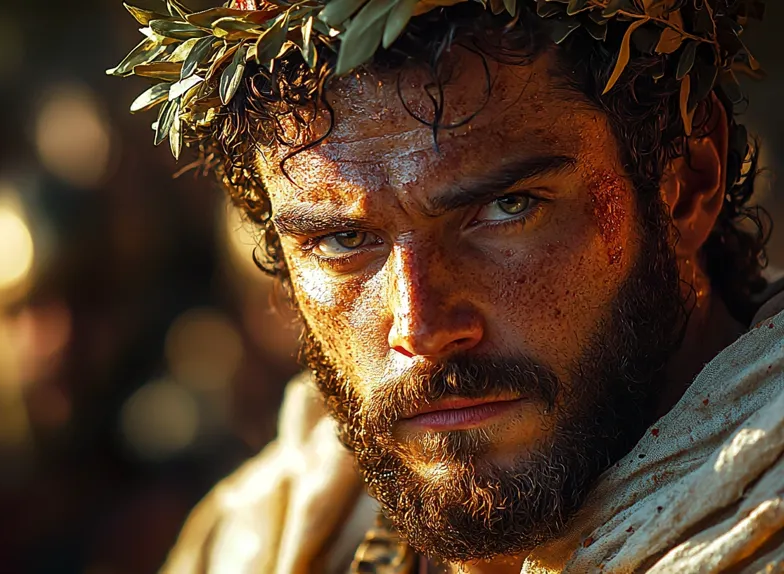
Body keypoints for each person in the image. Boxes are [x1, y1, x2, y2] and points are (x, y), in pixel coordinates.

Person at [110, 0, 783, 572]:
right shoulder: (272, 535)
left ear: (686, 184)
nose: (421, 328)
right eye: (344, 242)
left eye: (507, 208)